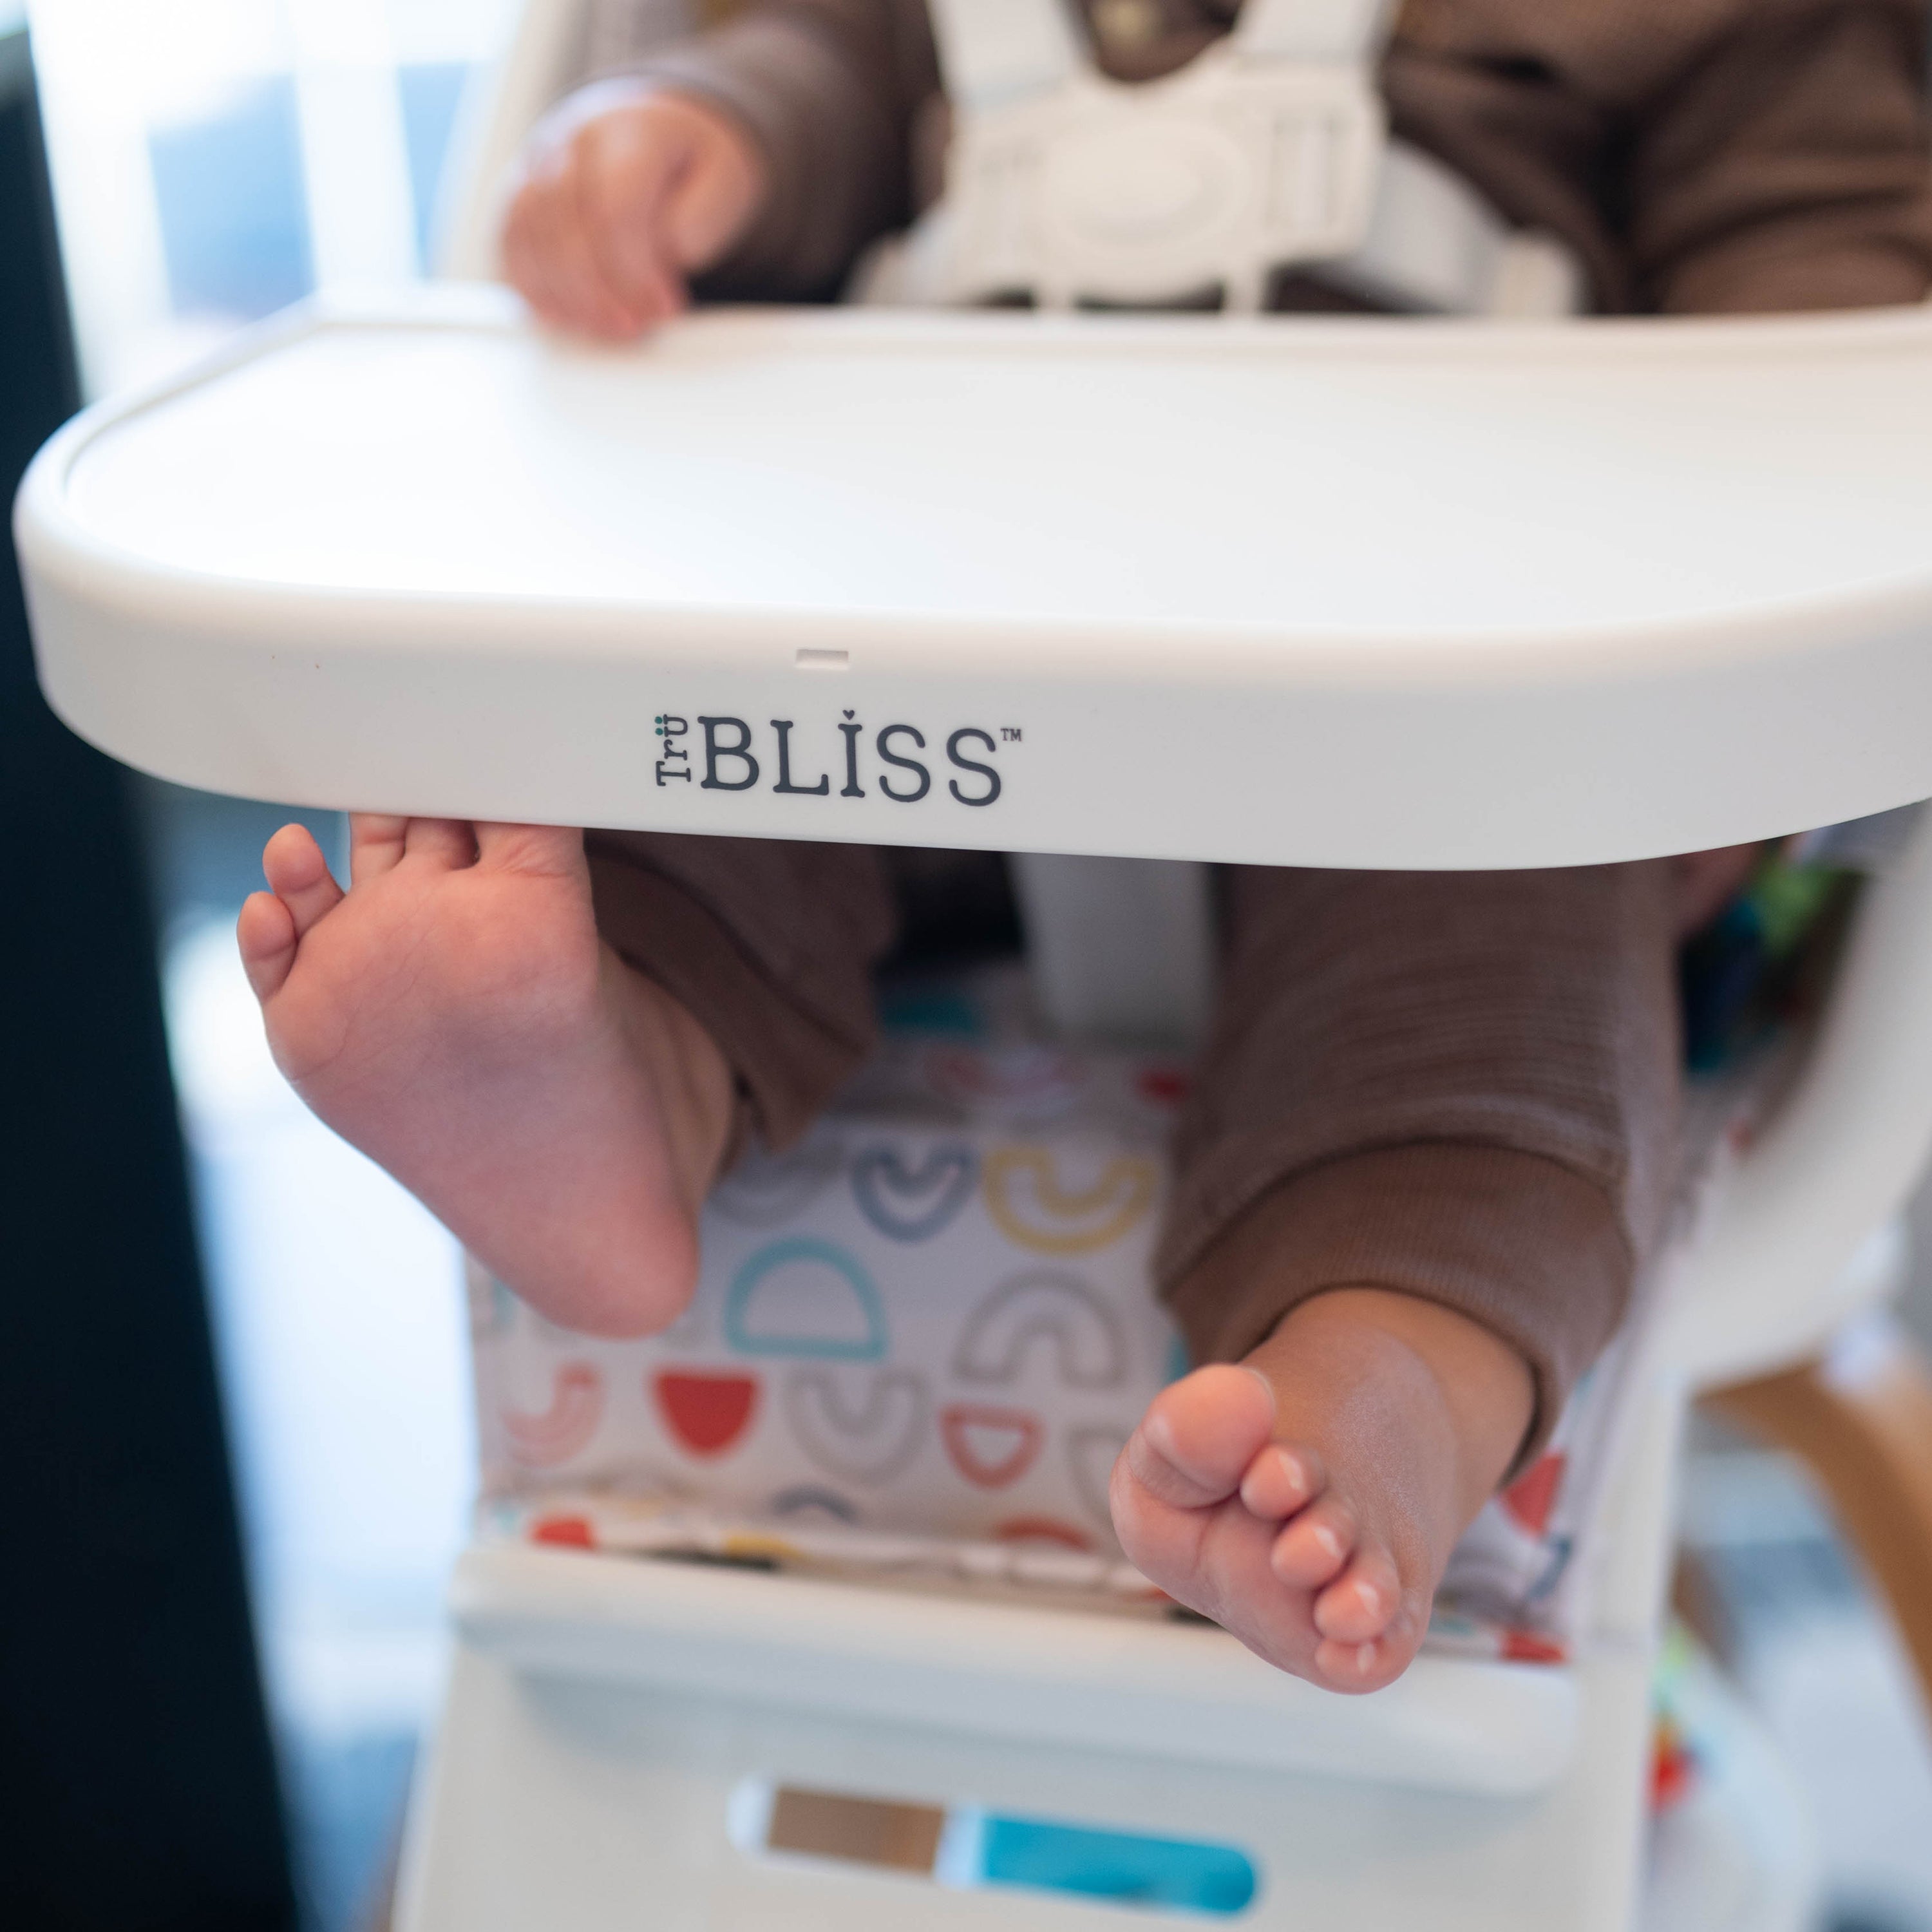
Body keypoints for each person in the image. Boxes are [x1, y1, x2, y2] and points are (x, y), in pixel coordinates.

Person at [237, 0, 1932, 1691]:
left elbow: (1828, 310)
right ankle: (605, 1075)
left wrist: (1730, 645)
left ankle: (1379, 1383)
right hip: (902, 638)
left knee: (1499, 972)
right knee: (687, 755)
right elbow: (826, 61)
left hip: (1421, 699)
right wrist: (699, 137)